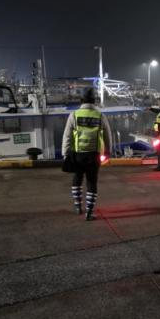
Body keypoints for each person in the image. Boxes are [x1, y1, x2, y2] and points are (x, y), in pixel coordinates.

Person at [62, 88, 112, 221]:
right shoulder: (100, 115)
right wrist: (108, 151)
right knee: (91, 182)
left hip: (77, 154)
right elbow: (108, 135)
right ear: (94, 101)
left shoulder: (74, 115)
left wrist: (65, 153)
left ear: (81, 100)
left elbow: (67, 136)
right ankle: (89, 212)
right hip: (94, 155)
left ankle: (78, 206)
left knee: (77, 178)